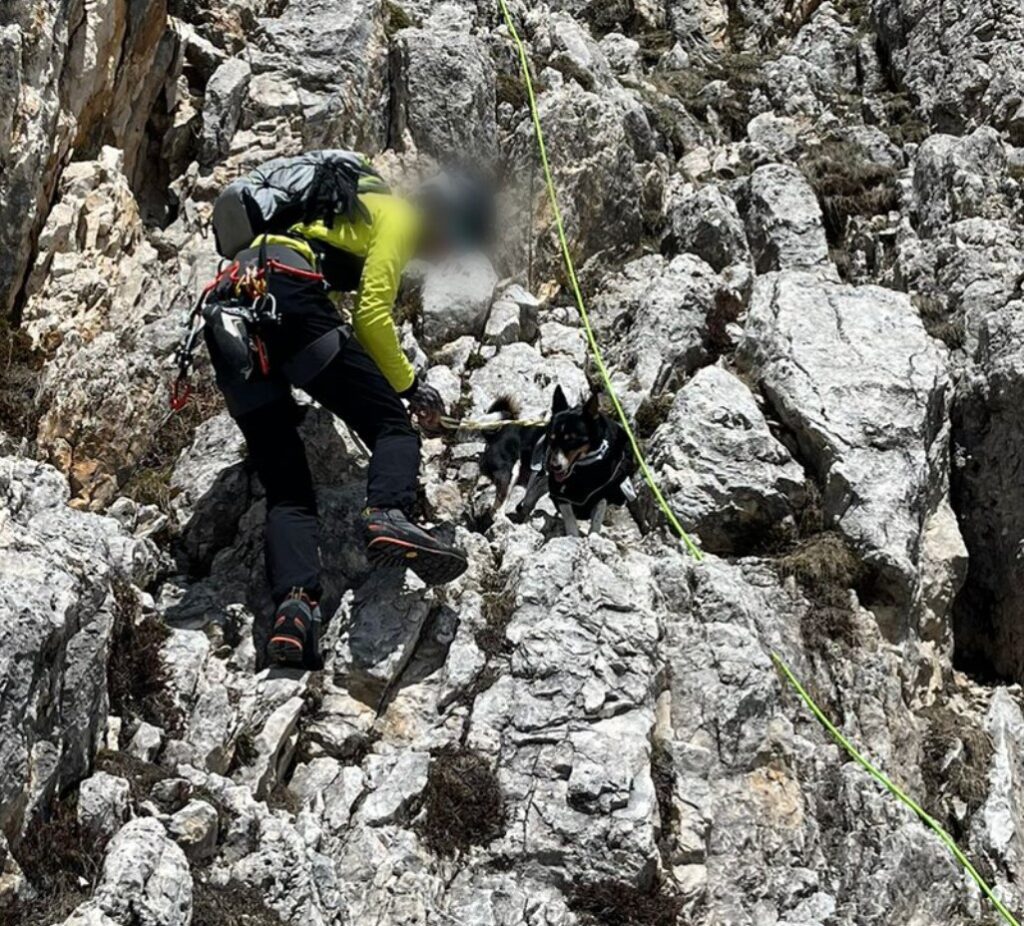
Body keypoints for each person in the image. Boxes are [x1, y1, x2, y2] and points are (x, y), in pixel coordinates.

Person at [201, 153, 491, 669]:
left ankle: (296, 609)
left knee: (287, 486)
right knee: (391, 428)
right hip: (286, 295)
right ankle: (387, 513)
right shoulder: (398, 215)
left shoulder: (334, 217)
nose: (444, 254)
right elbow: (372, 318)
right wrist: (410, 387)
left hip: (231, 311)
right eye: (452, 242)